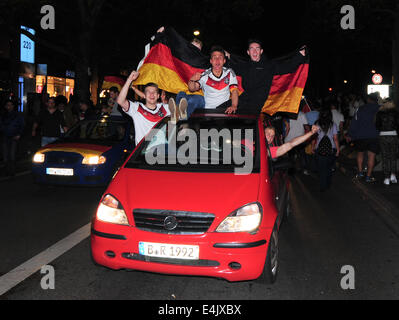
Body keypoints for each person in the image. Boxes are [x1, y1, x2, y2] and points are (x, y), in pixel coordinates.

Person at [227, 39, 306, 115]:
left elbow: (288, 67)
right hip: (242, 100)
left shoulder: (269, 66)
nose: (254, 51)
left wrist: (300, 55)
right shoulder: (244, 66)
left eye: (257, 49)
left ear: (261, 51)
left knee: (244, 124)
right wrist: (226, 56)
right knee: (219, 109)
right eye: (252, 49)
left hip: (254, 108)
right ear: (248, 52)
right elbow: (232, 66)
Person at [170, 45, 239, 122]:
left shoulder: (229, 73)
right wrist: (192, 80)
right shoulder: (205, 75)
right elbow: (192, 88)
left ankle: (181, 117)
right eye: (214, 57)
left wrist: (234, 105)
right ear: (211, 61)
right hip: (207, 113)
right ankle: (180, 115)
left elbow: (235, 91)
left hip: (223, 111)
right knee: (195, 98)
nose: (217, 60)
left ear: (224, 61)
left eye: (220, 57)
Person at [117, 70, 170, 145]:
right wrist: (129, 79)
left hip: (161, 152)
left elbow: (182, 113)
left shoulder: (165, 108)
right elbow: (120, 101)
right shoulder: (137, 108)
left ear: (158, 96)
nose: (152, 94)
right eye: (148, 92)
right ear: (144, 95)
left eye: (154, 92)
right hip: (143, 154)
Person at [348, 93, 380, 182]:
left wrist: (350, 134)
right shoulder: (379, 109)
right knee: (371, 156)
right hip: (374, 135)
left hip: (360, 135)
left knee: (360, 154)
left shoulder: (360, 109)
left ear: (368, 100)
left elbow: (354, 123)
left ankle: (360, 172)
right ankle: (368, 177)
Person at [312, 109, 340, 191]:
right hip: (331, 149)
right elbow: (335, 138)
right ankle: (327, 184)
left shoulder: (316, 124)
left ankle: (322, 185)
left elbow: (314, 137)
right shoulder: (333, 125)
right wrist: (338, 149)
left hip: (319, 149)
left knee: (321, 168)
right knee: (329, 167)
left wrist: (313, 147)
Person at [375, 99, 399, 185]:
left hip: (383, 135)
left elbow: (377, 125)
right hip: (393, 135)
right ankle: (393, 175)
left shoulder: (380, 113)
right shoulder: (396, 113)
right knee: (393, 156)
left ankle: (386, 178)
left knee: (385, 157)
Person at [0, 100, 24, 176]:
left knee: (12, 155)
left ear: (13, 106)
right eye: (7, 105)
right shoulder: (3, 115)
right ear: (5, 106)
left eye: (10, 105)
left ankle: (12, 172)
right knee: (5, 155)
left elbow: (22, 125)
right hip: (5, 137)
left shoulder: (17, 115)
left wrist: (19, 134)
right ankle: (7, 171)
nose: (9, 106)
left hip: (14, 137)